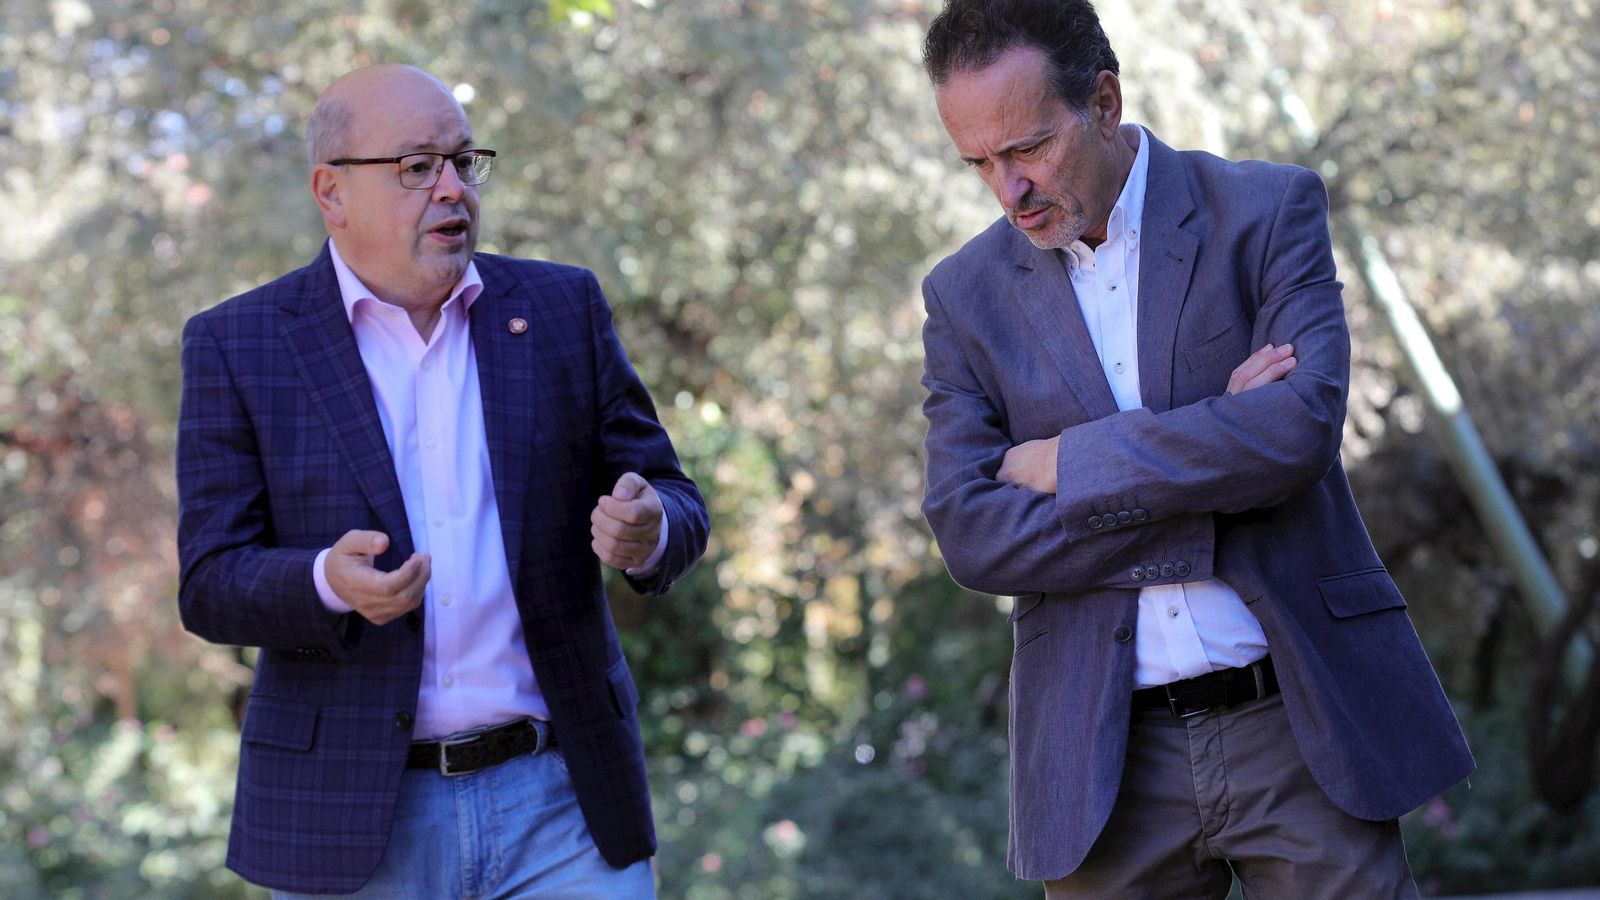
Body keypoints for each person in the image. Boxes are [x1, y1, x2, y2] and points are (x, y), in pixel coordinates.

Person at [917, 2, 1473, 896]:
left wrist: (1069, 464)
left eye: (1025, 150)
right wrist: (1220, 449)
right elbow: (974, 536)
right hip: (1101, 762)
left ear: (1103, 101)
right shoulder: (962, 298)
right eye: (976, 162)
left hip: (1300, 722)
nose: (1006, 192)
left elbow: (1295, 435)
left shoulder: (1267, 210)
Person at [176, 64, 708, 898]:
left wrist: (652, 532)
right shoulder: (240, 346)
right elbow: (209, 583)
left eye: (464, 162)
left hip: (560, 806)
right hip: (350, 825)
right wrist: (325, 583)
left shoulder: (561, 309)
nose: (453, 189)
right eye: (417, 166)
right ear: (332, 192)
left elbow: (675, 500)